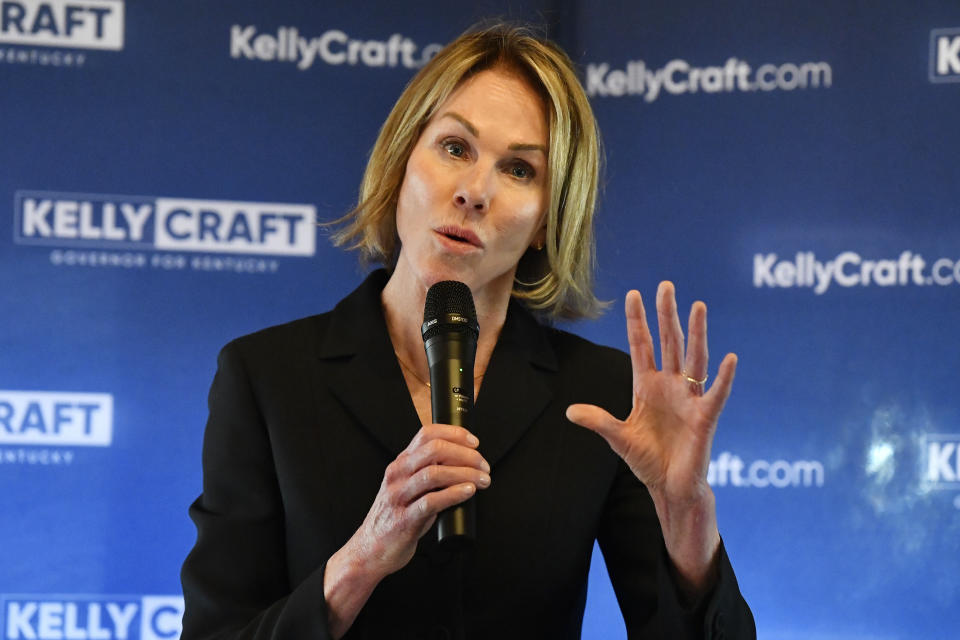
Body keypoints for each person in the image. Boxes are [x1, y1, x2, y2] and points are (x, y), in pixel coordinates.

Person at [180, 23, 756, 639]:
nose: (474, 192)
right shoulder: (266, 376)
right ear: (404, 158)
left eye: (518, 170)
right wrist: (362, 559)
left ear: (545, 221)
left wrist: (687, 522)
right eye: (456, 148)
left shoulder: (599, 397)